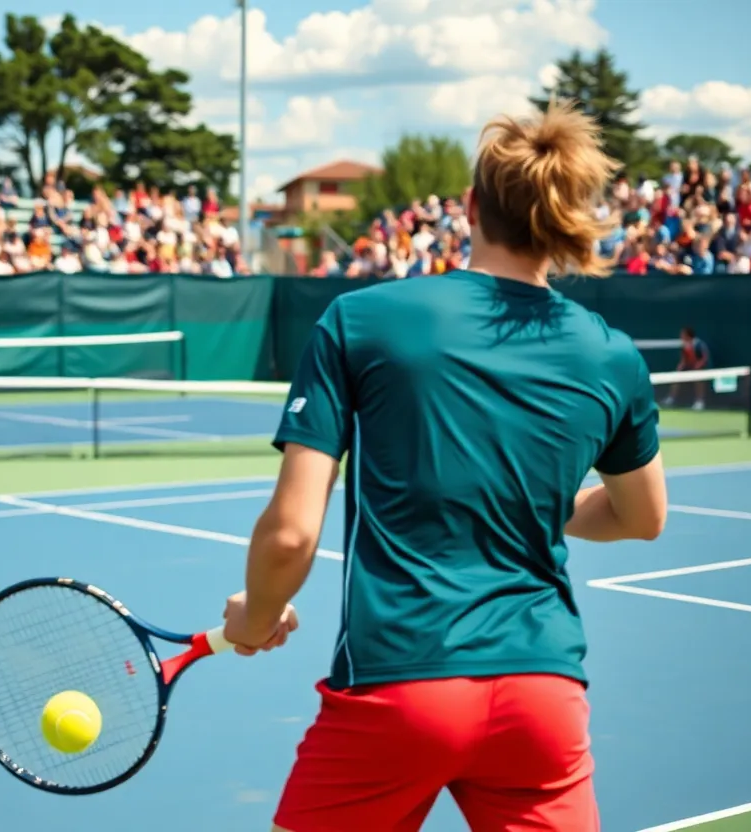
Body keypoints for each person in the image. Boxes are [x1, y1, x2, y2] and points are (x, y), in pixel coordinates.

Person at [221, 100, 668, 832]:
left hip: (400, 687)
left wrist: (254, 619)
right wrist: (525, 493)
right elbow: (642, 517)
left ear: (469, 208)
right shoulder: (610, 353)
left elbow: (292, 536)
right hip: (543, 695)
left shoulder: (358, 320)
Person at [665, 326, 710, 410]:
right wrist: (680, 367)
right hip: (689, 368)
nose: (681, 335)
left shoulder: (699, 344)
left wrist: (698, 366)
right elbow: (684, 359)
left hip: (701, 369)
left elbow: (705, 358)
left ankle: (700, 402)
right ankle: (671, 399)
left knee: (698, 378)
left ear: (688, 335)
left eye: (683, 334)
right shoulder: (684, 345)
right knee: (676, 376)